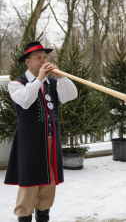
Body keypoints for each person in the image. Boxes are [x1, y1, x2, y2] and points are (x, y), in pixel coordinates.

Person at [4, 41, 78, 222]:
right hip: (30, 143)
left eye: (44, 57)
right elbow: (25, 101)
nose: (43, 61)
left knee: (48, 186)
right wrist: (39, 80)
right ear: (27, 62)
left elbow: (71, 95)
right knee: (29, 186)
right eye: (38, 58)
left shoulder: (52, 82)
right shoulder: (16, 84)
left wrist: (61, 76)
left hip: (51, 141)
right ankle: (24, 217)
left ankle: (43, 215)